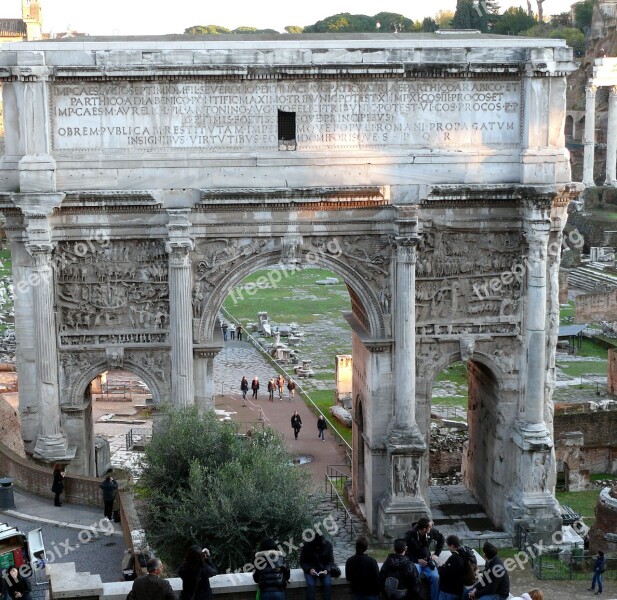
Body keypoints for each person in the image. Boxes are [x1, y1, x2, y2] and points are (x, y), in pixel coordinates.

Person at [404, 517, 444, 600]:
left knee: (436, 577)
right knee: (413, 578)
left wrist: (436, 554)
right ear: (424, 529)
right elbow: (405, 553)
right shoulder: (409, 536)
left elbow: (441, 538)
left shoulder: (431, 532)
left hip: (427, 560)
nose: (431, 528)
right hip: (415, 561)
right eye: (430, 527)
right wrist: (417, 560)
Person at [300, 533, 334, 600]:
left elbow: (331, 561)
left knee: (327, 584)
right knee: (311, 585)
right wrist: (309, 569)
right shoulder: (306, 545)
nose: (317, 547)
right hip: (310, 570)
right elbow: (302, 562)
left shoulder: (328, 545)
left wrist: (327, 570)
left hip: (324, 569)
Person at [345, 535, 379, 600]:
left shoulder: (349, 561)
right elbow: (377, 578)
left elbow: (348, 578)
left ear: (356, 547)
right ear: (366, 548)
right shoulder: (372, 561)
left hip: (357, 593)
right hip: (370, 593)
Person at [437, 535, 467, 600]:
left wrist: (439, 567)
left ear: (452, 546)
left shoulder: (454, 558)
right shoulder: (464, 554)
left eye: (448, 546)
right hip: (458, 590)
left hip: (448, 591)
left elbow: (445, 573)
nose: (448, 548)